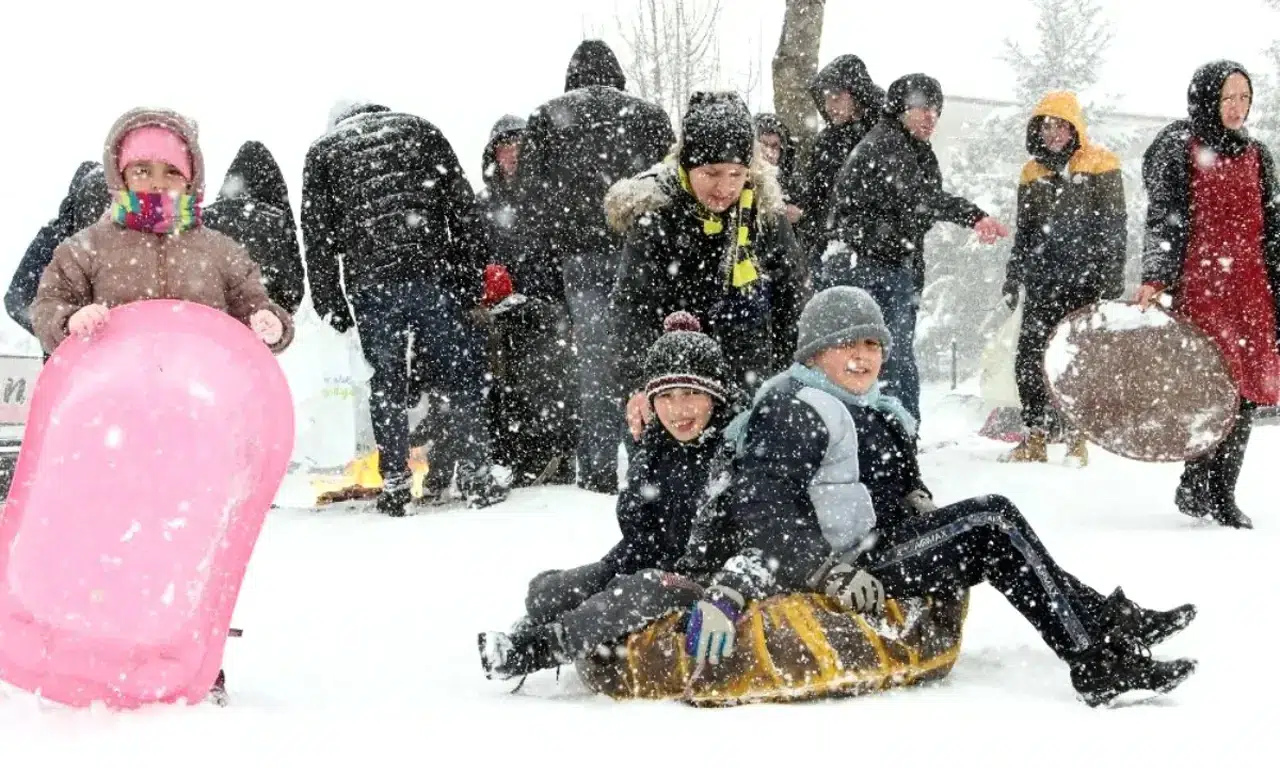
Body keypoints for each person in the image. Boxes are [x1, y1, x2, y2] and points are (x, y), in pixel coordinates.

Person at [677, 286, 1198, 707]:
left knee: (994, 530)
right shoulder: (794, 408)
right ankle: (1098, 658)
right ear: (814, 353)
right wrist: (827, 573)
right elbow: (765, 509)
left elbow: (897, 484)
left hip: (878, 543)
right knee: (993, 522)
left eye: (872, 345)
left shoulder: (877, 409)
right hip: (841, 564)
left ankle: (1107, 622)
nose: (863, 357)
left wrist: (921, 506)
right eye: (847, 345)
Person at [478, 312, 738, 680]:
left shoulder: (732, 451)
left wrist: (651, 577)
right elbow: (641, 535)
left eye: (692, 394)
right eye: (666, 396)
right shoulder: (657, 449)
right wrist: (607, 573)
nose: (679, 409)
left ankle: (540, 648)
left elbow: (720, 540)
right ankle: (541, 620)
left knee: (639, 592)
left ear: (716, 396)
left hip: (706, 580)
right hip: (655, 564)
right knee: (548, 591)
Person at [301, 101, 505, 514]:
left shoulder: (324, 151)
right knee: (457, 377)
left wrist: (330, 301)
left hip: (372, 283)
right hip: (432, 273)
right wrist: (469, 276)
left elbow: (318, 234)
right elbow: (462, 207)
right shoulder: (421, 129)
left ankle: (395, 484)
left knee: (386, 384)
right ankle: (476, 476)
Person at [515, 40, 676, 493]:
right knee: (641, 360)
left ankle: (599, 469)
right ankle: (646, 463)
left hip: (580, 257)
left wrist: (545, 275)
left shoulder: (548, 116)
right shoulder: (649, 116)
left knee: (595, 367)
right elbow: (669, 186)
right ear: (617, 75)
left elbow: (531, 205)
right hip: (638, 251)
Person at [1135, 61, 1280, 530]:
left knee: (1246, 393)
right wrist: (1156, 276)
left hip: (1251, 288)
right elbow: (1165, 219)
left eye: (1245, 98)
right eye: (1227, 98)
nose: (1238, 108)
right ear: (1206, 101)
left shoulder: (1258, 155)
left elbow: (1273, 231)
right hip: (1205, 287)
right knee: (1214, 386)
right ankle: (1197, 476)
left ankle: (1222, 491)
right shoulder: (1181, 148)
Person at [609, 91, 802, 441]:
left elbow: (792, 298)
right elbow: (631, 309)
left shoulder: (765, 216)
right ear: (687, 167)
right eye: (711, 172)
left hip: (749, 377)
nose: (724, 187)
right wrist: (638, 384)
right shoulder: (657, 216)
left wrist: (791, 377)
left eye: (736, 173)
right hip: (675, 389)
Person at [821, 74, 1009, 422]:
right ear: (900, 109)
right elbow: (919, 199)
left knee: (883, 358)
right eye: (922, 108)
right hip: (865, 266)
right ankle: (892, 433)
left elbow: (917, 211)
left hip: (888, 264)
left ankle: (892, 433)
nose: (930, 117)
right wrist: (973, 216)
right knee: (880, 360)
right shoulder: (887, 144)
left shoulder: (915, 151)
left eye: (936, 110)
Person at [31, 107, 294, 357]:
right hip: (114, 382)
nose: (157, 183)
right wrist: (70, 320)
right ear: (121, 177)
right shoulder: (86, 248)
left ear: (191, 180)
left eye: (172, 172)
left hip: (200, 382)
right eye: (142, 170)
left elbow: (253, 306)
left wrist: (269, 323)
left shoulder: (221, 252)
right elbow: (49, 305)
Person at [1001, 91, 1127, 466]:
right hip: (1042, 281)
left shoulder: (1100, 163)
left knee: (1076, 360)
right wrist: (1014, 275)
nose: (1053, 133)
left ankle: (1076, 438)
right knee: (1029, 360)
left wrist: (1111, 277)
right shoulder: (1032, 172)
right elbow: (1025, 232)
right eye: (1046, 126)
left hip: (1085, 282)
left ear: (1074, 128)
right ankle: (1035, 436)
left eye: (1061, 125)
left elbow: (1114, 227)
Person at [203, 140, 306, 315]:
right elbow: (292, 288)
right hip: (263, 318)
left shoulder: (209, 218)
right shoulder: (276, 222)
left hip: (217, 319)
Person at [794, 54, 883, 258]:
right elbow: (814, 199)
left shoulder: (887, 136)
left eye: (835, 97)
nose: (828, 106)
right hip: (827, 254)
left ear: (857, 95)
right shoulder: (825, 143)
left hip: (879, 258)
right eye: (824, 98)